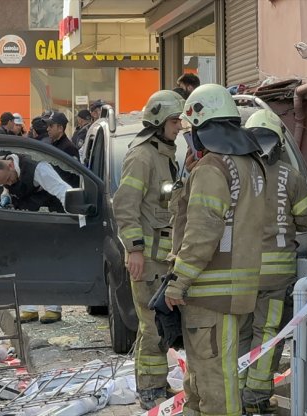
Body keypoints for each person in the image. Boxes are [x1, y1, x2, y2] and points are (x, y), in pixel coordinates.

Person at [165, 83, 266, 415]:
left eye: (190, 129)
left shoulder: (213, 168)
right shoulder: (250, 164)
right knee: (207, 376)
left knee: (213, 382)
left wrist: (178, 281)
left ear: (201, 126)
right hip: (241, 289)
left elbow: (203, 231)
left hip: (209, 292)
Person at [239, 110, 307, 414]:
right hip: (276, 275)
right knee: (268, 331)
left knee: (240, 330)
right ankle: (257, 396)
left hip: (239, 271)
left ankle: (236, 390)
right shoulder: (290, 175)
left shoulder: (233, 173)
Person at [112, 90, 184, 409]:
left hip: (163, 258)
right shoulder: (142, 156)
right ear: (157, 120)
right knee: (152, 326)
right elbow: (125, 205)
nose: (179, 125)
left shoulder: (164, 154)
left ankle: (154, 385)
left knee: (156, 326)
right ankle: (150, 391)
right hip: (149, 258)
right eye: (174, 120)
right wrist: (134, 250)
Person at [0, 154, 74, 324]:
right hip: (25, 221)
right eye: (3, 183)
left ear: (10, 165)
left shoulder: (38, 168)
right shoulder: (8, 174)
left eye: (8, 179)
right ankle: (28, 309)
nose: (8, 184)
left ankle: (52, 308)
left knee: (48, 264)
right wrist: (4, 196)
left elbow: (62, 189)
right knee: (24, 263)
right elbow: (9, 190)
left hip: (47, 219)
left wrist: (74, 214)